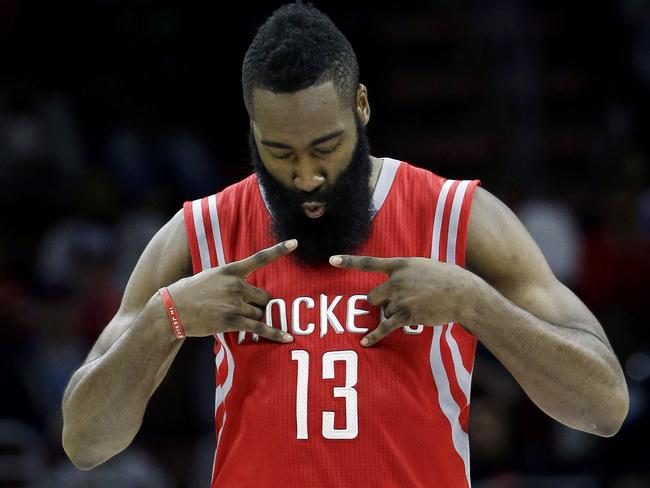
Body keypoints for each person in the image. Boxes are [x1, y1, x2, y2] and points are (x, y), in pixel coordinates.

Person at [61, 3, 629, 487]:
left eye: (325, 147)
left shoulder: (458, 216)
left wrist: (475, 305)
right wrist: (169, 320)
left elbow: (603, 408)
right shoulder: (200, 231)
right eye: (281, 152)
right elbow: (86, 443)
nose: (307, 175)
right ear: (252, 128)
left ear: (360, 106)